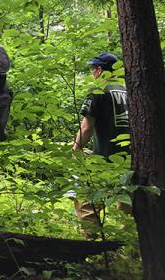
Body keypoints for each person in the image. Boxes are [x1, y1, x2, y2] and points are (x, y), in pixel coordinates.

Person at [72, 52, 130, 235]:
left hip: (106, 157)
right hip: (132, 158)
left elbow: (87, 126)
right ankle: (128, 243)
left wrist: (76, 149)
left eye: (92, 69)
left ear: (99, 70)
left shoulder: (99, 89)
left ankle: (92, 241)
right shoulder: (129, 89)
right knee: (127, 202)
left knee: (86, 197)